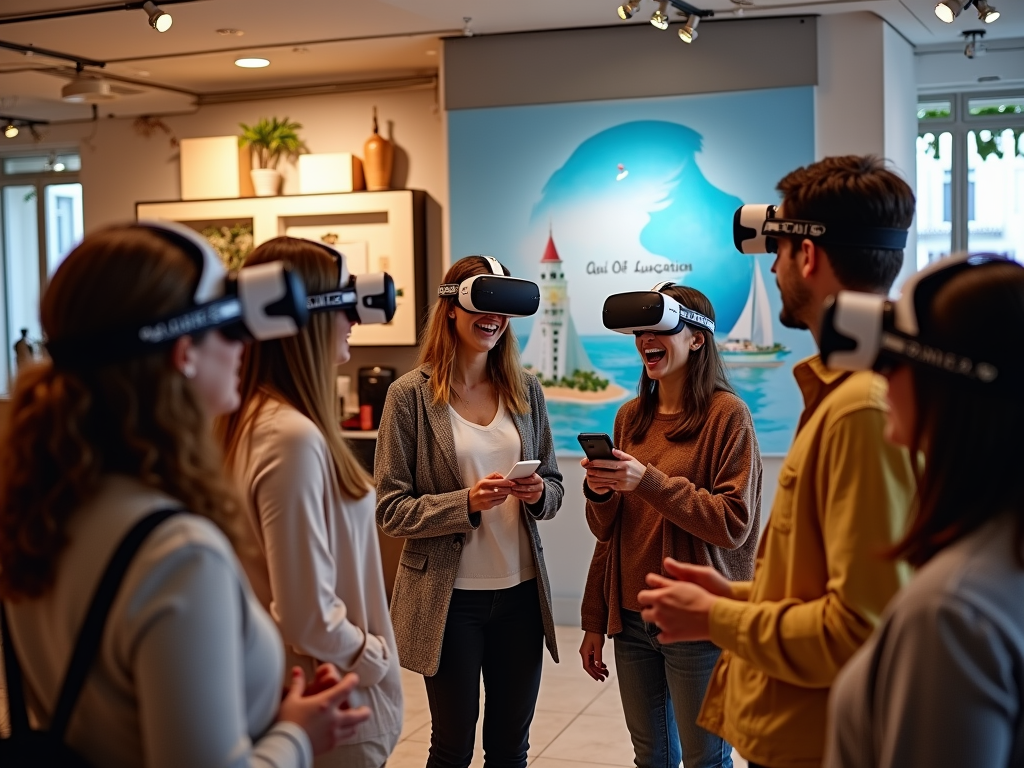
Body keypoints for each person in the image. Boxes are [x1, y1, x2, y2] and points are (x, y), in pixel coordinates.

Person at [0, 223, 368, 768]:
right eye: (229, 320)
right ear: (183, 351)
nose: (246, 341)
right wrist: (298, 735)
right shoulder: (178, 554)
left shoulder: (40, 513)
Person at [637, 155, 917, 768]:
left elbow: (860, 631)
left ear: (807, 257)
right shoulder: (845, 393)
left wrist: (720, 619)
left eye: (778, 250)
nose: (773, 263)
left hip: (822, 742)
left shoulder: (859, 411)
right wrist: (741, 602)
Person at [822, 255, 1024, 767]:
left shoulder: (951, 612)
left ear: (946, 381)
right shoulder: (1000, 563)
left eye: (891, 359)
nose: (880, 378)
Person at [219, 237, 403, 768]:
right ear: (305, 313)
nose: (356, 317)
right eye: (342, 299)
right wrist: (371, 658)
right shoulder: (288, 437)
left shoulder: (247, 425)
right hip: (336, 704)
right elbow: (306, 614)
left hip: (298, 694)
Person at [375, 255, 563, 768]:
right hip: (450, 601)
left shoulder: (526, 392)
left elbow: (555, 485)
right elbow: (390, 509)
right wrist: (466, 504)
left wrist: (538, 494)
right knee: (452, 747)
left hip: (521, 597)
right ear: (452, 307)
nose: (494, 316)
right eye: (485, 302)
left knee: (510, 748)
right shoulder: (410, 396)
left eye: (505, 306)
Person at [580, 284, 761, 768]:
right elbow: (608, 533)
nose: (645, 340)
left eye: (658, 328)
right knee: (651, 757)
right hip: (631, 618)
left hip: (696, 621)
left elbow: (734, 524)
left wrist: (649, 482)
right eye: (639, 331)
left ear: (697, 340)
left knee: (706, 760)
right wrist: (600, 493)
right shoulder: (629, 418)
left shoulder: (729, 417)